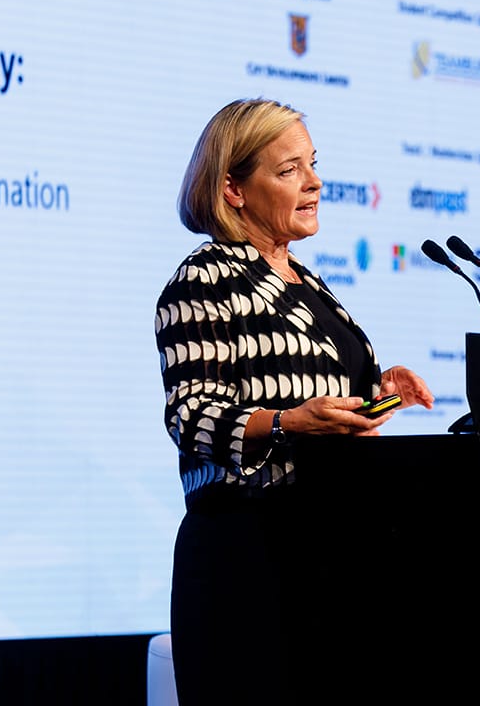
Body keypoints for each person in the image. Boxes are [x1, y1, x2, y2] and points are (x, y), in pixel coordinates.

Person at [154, 98, 434, 704]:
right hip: (247, 553)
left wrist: (380, 395)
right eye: (289, 171)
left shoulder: (310, 285)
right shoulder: (204, 278)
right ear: (233, 188)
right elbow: (191, 415)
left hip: (333, 548)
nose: (315, 183)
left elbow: (325, 405)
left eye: (313, 164)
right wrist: (285, 423)